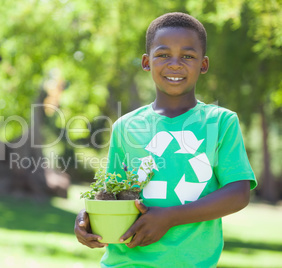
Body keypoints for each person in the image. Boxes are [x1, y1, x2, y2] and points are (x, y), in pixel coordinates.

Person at [74, 12, 257, 268]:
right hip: (125, 262)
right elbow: (111, 195)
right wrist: (87, 219)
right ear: (146, 62)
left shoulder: (221, 122)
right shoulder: (126, 127)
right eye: (163, 55)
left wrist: (169, 218)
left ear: (203, 65)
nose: (174, 64)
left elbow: (238, 193)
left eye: (188, 56)